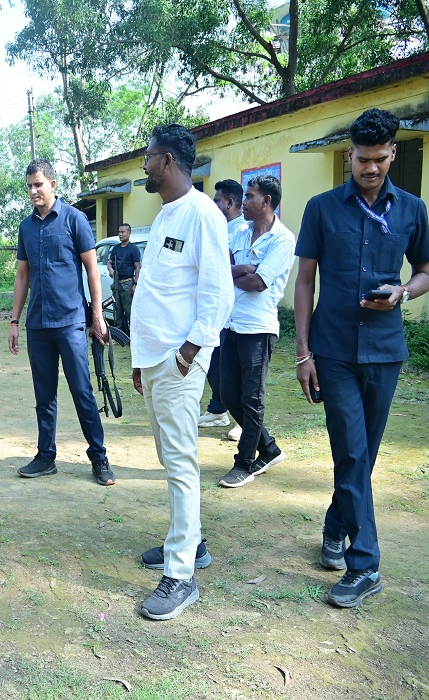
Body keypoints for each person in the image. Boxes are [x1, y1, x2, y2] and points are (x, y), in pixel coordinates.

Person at [294, 108, 429, 608]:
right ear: (349, 153)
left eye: (379, 159)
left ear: (392, 152)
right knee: (351, 451)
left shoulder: (412, 209)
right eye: (361, 159)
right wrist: (302, 353)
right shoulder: (322, 207)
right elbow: (304, 281)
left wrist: (402, 292)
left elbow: (425, 270)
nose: (370, 168)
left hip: (385, 351)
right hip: (332, 351)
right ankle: (365, 564)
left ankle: (336, 523)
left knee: (363, 456)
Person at [131, 124, 234, 620]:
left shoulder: (202, 215)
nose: (145, 165)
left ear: (167, 160)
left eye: (149, 157)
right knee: (173, 462)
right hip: (156, 361)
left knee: (180, 464)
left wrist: (187, 354)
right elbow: (158, 293)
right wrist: (140, 362)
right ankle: (192, 543)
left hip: (179, 362)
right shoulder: (167, 213)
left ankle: (181, 577)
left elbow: (218, 294)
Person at [8, 158, 115, 486]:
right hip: (37, 325)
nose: (33, 191)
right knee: (44, 394)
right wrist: (14, 320)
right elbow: (23, 275)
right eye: (29, 186)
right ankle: (45, 456)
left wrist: (97, 315)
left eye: (38, 184)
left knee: (82, 390)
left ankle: (99, 457)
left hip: (70, 323)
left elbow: (92, 270)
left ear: (53, 184)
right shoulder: (26, 227)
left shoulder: (75, 219)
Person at [217, 176, 294, 488]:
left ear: (267, 201)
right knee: (225, 392)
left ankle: (245, 462)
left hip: (258, 328)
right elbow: (221, 268)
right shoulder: (239, 230)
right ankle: (269, 448)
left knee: (252, 398)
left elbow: (259, 283)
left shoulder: (282, 240)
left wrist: (239, 272)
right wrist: (240, 270)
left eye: (249, 196)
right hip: (231, 323)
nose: (243, 202)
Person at [199, 179, 247, 440]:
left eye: (217, 200)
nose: (214, 203)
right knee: (214, 364)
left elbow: (241, 270)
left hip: (236, 313)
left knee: (234, 370)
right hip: (216, 312)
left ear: (229, 203)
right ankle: (218, 409)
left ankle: (241, 418)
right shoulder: (219, 227)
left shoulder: (242, 230)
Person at [106, 223, 141, 335]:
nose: (120, 234)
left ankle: (133, 336)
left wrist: (135, 283)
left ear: (129, 233)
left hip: (128, 283)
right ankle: (118, 334)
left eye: (123, 232)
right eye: (119, 232)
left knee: (129, 311)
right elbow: (109, 262)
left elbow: (137, 267)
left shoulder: (133, 249)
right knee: (117, 310)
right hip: (116, 284)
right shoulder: (115, 248)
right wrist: (110, 270)